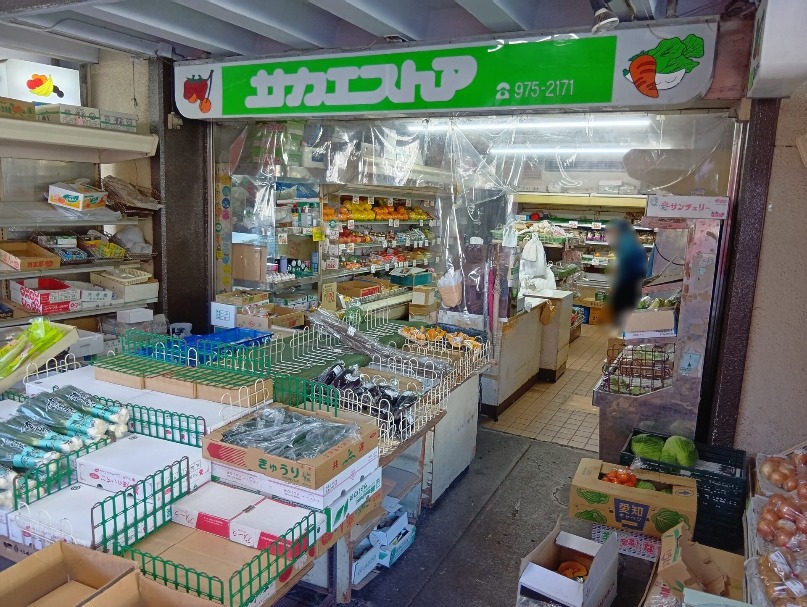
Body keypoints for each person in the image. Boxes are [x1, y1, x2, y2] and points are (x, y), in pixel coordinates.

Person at [606, 218, 648, 326]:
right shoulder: (633, 241)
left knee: (623, 309)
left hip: (629, 282)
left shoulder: (625, 242)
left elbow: (624, 263)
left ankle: (622, 328)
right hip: (636, 281)